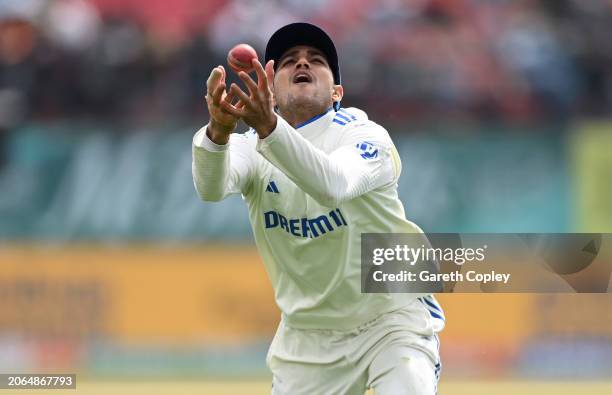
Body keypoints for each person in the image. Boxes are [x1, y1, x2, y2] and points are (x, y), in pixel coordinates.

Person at [192, 22, 444, 395]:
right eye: (289, 61)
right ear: (271, 91)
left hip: (391, 317)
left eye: (316, 60)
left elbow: (334, 184)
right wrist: (217, 132)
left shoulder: (364, 134)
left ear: (338, 91)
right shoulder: (252, 145)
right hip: (308, 338)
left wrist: (268, 127)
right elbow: (210, 188)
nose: (302, 64)